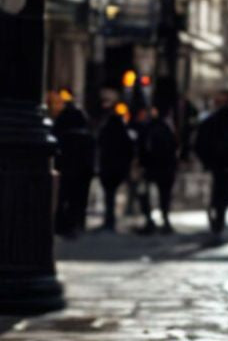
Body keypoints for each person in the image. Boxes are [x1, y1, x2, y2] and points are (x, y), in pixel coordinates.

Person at [194, 86, 228, 234]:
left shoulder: (214, 120)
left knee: (219, 191)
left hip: (221, 163)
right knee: (222, 192)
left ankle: (217, 216)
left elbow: (201, 142)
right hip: (225, 163)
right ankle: (219, 216)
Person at [52, 91, 95, 237]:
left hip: (67, 168)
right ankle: (76, 224)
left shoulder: (63, 131)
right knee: (78, 200)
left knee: (64, 198)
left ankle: (63, 225)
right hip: (80, 170)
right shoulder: (85, 133)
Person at [139, 106, 179, 235]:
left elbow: (142, 148)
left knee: (149, 194)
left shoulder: (149, 128)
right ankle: (163, 220)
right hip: (163, 167)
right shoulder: (166, 129)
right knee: (164, 195)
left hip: (154, 167)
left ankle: (151, 220)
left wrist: (143, 163)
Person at [97, 101, 135, 232]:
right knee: (113, 195)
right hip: (118, 168)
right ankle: (112, 220)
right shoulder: (124, 131)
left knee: (109, 196)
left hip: (107, 167)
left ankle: (109, 220)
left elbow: (100, 146)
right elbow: (130, 150)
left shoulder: (106, 129)